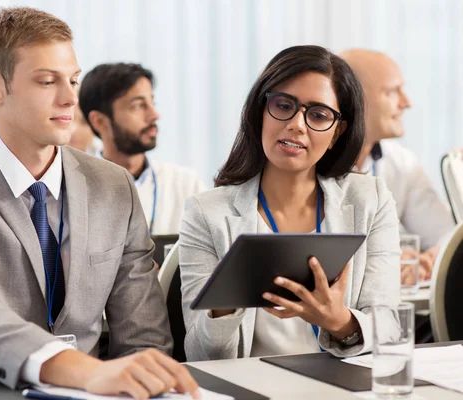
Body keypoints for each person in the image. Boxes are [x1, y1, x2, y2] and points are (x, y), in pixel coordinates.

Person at [0, 8, 199, 399]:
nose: (71, 97)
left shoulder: (113, 185)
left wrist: (144, 384)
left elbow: (144, 336)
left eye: (73, 80)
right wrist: (81, 370)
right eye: (47, 81)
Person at [180, 45, 401, 361]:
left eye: (318, 115)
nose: (297, 124)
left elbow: (391, 328)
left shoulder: (371, 200)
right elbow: (201, 356)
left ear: (337, 133)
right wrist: (223, 304)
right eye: (284, 105)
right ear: (260, 113)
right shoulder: (205, 213)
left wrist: (339, 322)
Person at [340, 49, 454, 282]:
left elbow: (446, 235)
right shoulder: (309, 162)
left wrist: (432, 259)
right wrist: (386, 260)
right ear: (353, 98)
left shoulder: (401, 161)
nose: (406, 103)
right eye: (392, 92)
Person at [79, 63, 206, 235]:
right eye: (138, 106)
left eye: (152, 102)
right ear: (99, 121)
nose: (154, 115)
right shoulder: (73, 190)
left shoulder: (187, 185)